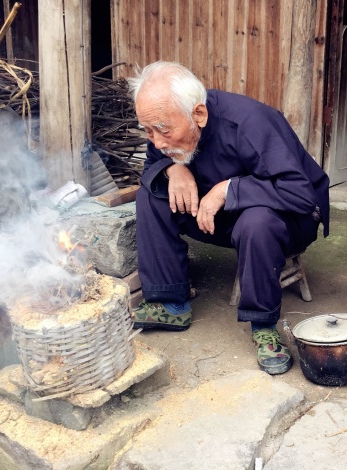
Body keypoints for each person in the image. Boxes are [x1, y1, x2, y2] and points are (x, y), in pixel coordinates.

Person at [128, 61, 330, 375]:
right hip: (219, 218)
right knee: (151, 194)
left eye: (163, 130)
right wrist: (172, 168)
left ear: (199, 114)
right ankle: (169, 302)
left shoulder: (249, 122)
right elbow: (153, 160)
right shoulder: (165, 130)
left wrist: (227, 190)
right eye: (148, 130)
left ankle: (263, 325)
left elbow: (300, 194)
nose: (156, 141)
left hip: (288, 219)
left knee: (257, 221)